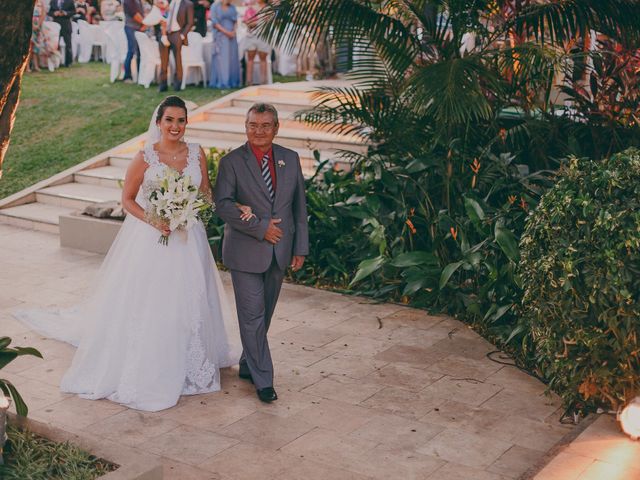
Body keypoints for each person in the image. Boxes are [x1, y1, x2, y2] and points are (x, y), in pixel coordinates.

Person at [14, 96, 240, 412]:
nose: (175, 127)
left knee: (192, 297)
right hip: (153, 239)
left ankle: (192, 359)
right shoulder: (145, 156)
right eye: (170, 120)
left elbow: (205, 194)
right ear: (159, 122)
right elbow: (128, 200)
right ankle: (156, 359)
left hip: (189, 238)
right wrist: (157, 218)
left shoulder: (196, 153)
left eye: (181, 120)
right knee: (156, 300)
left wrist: (191, 209)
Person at [214, 103, 309, 403]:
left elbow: (299, 208)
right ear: (245, 127)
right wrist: (260, 227)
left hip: (280, 251)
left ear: (276, 128)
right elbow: (223, 205)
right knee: (252, 316)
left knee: (264, 314)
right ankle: (263, 379)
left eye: (265, 125)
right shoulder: (231, 162)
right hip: (245, 253)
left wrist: (300, 247)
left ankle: (248, 362)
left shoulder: (290, 159)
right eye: (253, 125)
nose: (258, 131)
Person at [158, 0, 194, 92]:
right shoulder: (168, 2)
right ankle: (163, 84)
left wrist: (182, 36)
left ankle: (177, 84)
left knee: (178, 60)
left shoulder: (187, 4)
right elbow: (163, 16)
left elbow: (190, 22)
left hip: (177, 34)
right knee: (163, 60)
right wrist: (163, 33)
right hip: (165, 33)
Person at [208, 0, 240, 88]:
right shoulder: (215, 6)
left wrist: (233, 31)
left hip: (232, 36)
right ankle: (222, 81)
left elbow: (235, 21)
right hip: (221, 35)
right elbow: (215, 23)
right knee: (222, 59)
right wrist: (227, 32)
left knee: (232, 58)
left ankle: (232, 81)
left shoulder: (232, 7)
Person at [243, 0, 270, 85]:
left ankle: (263, 83)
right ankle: (249, 83)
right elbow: (247, 22)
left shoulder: (268, 8)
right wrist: (258, 22)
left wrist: (254, 23)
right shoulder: (250, 8)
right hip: (251, 37)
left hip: (263, 37)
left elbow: (268, 22)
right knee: (250, 59)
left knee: (263, 59)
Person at [123, 0, 146, 83]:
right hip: (131, 27)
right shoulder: (128, 1)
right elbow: (135, 15)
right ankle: (127, 76)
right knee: (131, 51)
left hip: (139, 28)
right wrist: (145, 23)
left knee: (140, 52)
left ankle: (140, 75)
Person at [49, 0, 75, 67]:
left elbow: (73, 11)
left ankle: (68, 62)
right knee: (55, 44)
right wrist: (54, 13)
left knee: (68, 44)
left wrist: (65, 13)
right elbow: (49, 12)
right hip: (56, 24)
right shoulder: (53, 1)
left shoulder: (70, 1)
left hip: (66, 24)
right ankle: (56, 62)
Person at [30, 0, 48, 72]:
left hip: (38, 26)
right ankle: (27, 66)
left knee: (36, 46)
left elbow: (43, 14)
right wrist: (32, 25)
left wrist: (38, 25)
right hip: (30, 25)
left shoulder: (41, 3)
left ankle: (36, 65)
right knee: (30, 45)